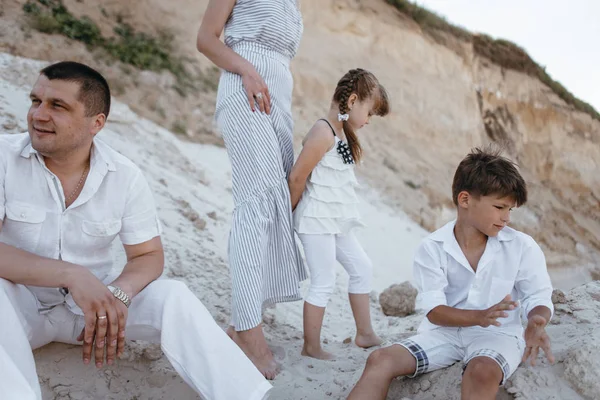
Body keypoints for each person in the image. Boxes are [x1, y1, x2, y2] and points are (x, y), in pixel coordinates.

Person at [0, 61, 272, 400]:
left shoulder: (124, 176)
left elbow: (148, 255)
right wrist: (71, 274)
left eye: (58, 106)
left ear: (96, 123)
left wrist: (119, 294)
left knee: (174, 296)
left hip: (92, 313)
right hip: (17, 310)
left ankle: (245, 395)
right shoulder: (4, 157)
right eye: (35, 101)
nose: (38, 115)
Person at [347, 147, 555, 400]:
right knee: (380, 359)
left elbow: (537, 295)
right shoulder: (433, 248)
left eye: (510, 210)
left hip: (497, 336)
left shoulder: (521, 246)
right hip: (444, 333)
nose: (506, 218)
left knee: (481, 372)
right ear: (465, 200)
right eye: (500, 207)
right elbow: (435, 312)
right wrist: (479, 316)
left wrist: (536, 319)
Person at [196, 0, 307, 378]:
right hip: (244, 90)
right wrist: (246, 70)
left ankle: (244, 321)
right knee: (255, 206)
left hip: (278, 99)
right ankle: (247, 331)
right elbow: (206, 39)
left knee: (277, 207)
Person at [288, 68, 390, 360]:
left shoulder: (342, 133)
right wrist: (288, 215)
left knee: (362, 268)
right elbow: (297, 178)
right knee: (324, 280)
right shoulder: (323, 132)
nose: (369, 121)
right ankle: (311, 346)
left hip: (335, 219)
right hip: (316, 219)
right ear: (353, 100)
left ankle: (365, 333)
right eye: (369, 113)